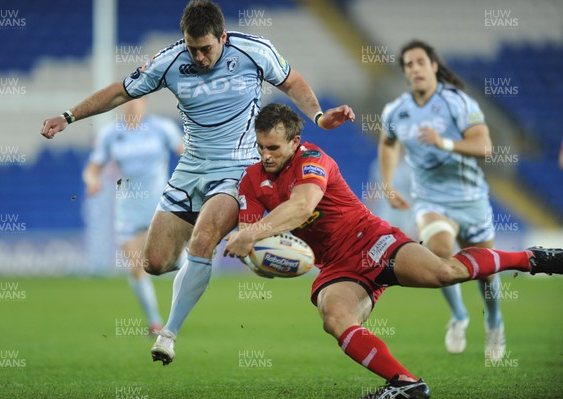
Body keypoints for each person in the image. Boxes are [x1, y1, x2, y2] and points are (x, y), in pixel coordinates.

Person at [40, 0, 354, 365]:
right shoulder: (171, 62)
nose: (200, 57)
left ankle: (168, 335)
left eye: (206, 49)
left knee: (203, 239)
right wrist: (68, 116)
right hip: (190, 170)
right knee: (154, 262)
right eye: (193, 49)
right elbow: (119, 92)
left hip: (238, 169)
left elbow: (292, 81)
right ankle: (207, 261)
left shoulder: (254, 51)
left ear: (222, 36)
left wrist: (317, 115)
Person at [223, 103, 562, 399]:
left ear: (295, 142)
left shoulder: (314, 159)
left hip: (370, 238)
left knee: (445, 273)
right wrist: (260, 259)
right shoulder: (250, 181)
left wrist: (252, 234)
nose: (265, 155)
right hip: (338, 266)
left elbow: (301, 206)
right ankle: (406, 384)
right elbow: (254, 246)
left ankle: (533, 259)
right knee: (335, 317)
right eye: (260, 147)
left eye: (273, 147)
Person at [378, 39, 506, 359]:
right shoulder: (397, 111)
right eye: (409, 64)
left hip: (470, 198)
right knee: (439, 254)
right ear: (405, 72)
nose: (415, 68)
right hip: (431, 201)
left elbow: (484, 146)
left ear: (434, 66)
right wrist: (389, 183)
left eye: (421, 61)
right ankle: (460, 316)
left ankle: (494, 320)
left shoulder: (458, 102)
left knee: (487, 272)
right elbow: (388, 143)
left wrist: (443, 143)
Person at [82, 97, 184, 334]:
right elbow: (92, 168)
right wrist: (92, 181)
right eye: (127, 100)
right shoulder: (110, 134)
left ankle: (178, 302)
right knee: (135, 267)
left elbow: (186, 153)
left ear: (146, 101)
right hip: (127, 209)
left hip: (160, 206)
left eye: (136, 100)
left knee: (169, 261)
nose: (132, 104)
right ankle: (155, 322)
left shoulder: (162, 128)